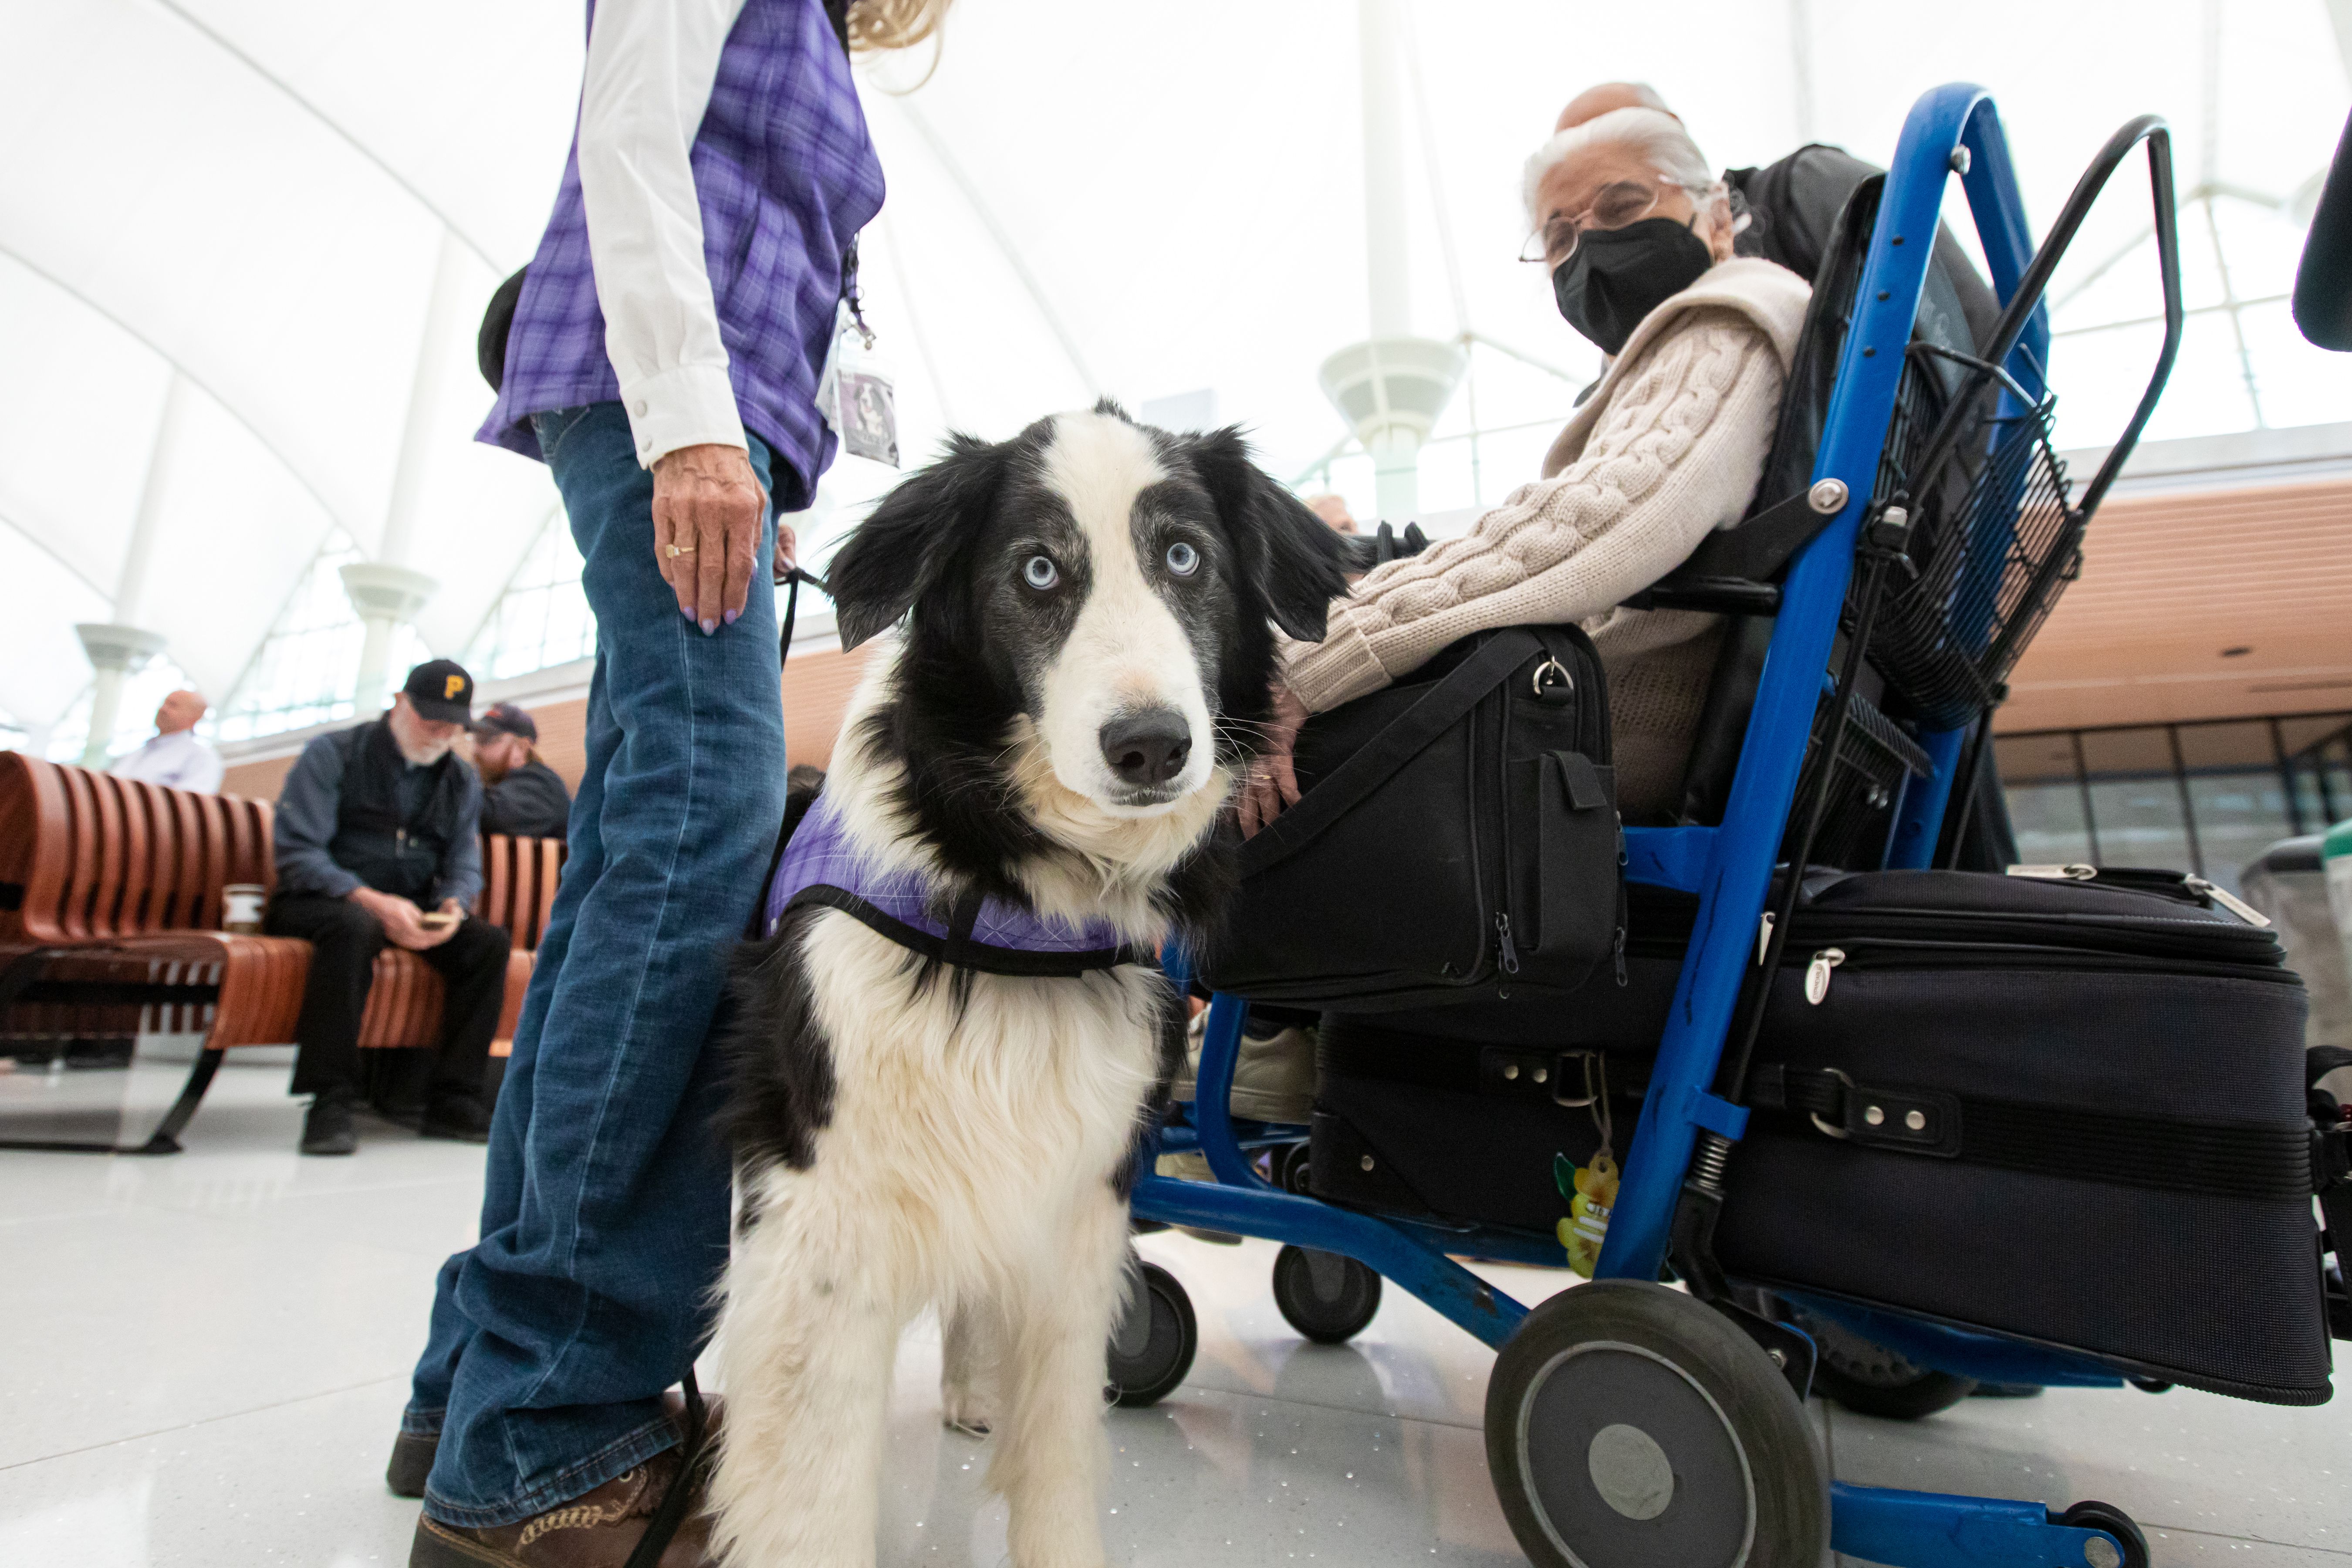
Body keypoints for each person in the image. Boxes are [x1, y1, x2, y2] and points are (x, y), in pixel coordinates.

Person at [397, 3, 946, 1563]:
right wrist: (697, 427)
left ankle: (476, 1384)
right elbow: (628, 140)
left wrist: (750, 455)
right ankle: (554, 1435)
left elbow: (759, 236)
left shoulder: (822, 38)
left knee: (629, 864)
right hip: (660, 414)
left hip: (713, 442)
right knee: (703, 821)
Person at [1244, 105, 1811, 834]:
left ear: (1720, 220)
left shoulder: (1728, 315)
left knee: (1220, 752)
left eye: (1624, 203)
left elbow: (1603, 518)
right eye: (1561, 235)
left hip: (1583, 734)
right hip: (1569, 717)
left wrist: (1322, 656)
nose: (1593, 241)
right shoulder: (1700, 340)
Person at [265, 660, 510, 1157]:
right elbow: (299, 853)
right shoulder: (335, 754)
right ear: (400, 703)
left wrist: (453, 906)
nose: (441, 733)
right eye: (430, 719)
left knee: (487, 944)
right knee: (354, 928)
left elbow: (465, 864)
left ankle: (453, 1097)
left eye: (453, 725)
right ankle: (330, 1099)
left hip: (412, 909)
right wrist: (370, 899)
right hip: (326, 902)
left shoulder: (460, 779)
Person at [467, 702, 572, 839]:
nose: (477, 750)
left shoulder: (543, 787)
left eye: (489, 740)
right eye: (477, 739)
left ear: (523, 746)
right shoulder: (494, 784)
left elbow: (491, 815)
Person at [110, 689, 223, 793]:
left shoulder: (201, 758)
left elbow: (190, 804)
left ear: (195, 718)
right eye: (164, 703)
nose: (162, 709)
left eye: (173, 705)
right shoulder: (135, 754)